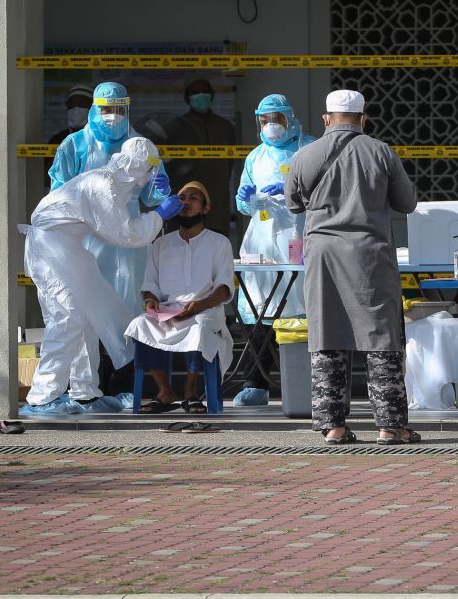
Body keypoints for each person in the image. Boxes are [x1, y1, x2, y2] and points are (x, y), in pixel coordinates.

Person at [285, 89, 419, 445]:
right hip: (369, 256)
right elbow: (407, 203)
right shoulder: (380, 151)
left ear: (326, 120)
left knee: (326, 334)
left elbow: (293, 204)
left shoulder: (304, 155)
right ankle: (390, 426)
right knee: (381, 337)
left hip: (323, 257)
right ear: (364, 119)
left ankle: (332, 426)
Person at [22, 137, 183, 408]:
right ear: (137, 166)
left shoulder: (110, 185)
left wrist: (156, 203)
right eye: (149, 170)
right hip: (53, 250)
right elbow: (126, 234)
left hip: (63, 247)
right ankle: (42, 396)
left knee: (85, 317)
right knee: (67, 319)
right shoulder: (102, 185)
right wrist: (159, 215)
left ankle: (85, 392)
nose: (149, 177)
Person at [48, 81, 171, 395]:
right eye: (105, 109)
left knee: (129, 309)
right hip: (87, 237)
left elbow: (155, 192)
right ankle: (90, 385)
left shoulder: (140, 144)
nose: (112, 116)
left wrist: (158, 187)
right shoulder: (74, 145)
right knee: (86, 309)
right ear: (94, 108)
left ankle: (128, 385)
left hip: (128, 243)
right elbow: (58, 191)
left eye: (118, 109)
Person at [232, 94, 315, 406]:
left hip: (300, 236)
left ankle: (309, 381)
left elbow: (327, 188)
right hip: (264, 238)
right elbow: (243, 205)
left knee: (303, 308)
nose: (270, 126)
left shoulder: (309, 148)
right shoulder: (255, 157)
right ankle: (256, 382)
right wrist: (246, 198)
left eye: (276, 119)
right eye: (264, 120)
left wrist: (292, 190)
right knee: (261, 308)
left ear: (289, 118)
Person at [125, 181, 236, 414]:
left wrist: (199, 305)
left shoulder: (219, 243)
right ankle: (165, 391)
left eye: (194, 198)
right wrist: (150, 301)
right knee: (140, 324)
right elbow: (149, 285)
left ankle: (190, 391)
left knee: (201, 327)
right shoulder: (161, 243)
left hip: (205, 309)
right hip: (168, 310)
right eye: (182, 197)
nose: (186, 202)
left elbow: (224, 289)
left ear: (206, 208)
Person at [163, 79, 237, 236]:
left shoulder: (225, 126)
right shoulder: (176, 126)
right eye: (196, 93)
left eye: (205, 92)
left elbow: (230, 165)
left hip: (217, 198)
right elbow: (166, 164)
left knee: (217, 245)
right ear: (188, 98)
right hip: (185, 199)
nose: (201, 96)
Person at [45, 85, 93, 173]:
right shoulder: (57, 140)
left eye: (81, 105)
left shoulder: (99, 139)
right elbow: (48, 175)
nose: (76, 109)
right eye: (72, 105)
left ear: (91, 108)